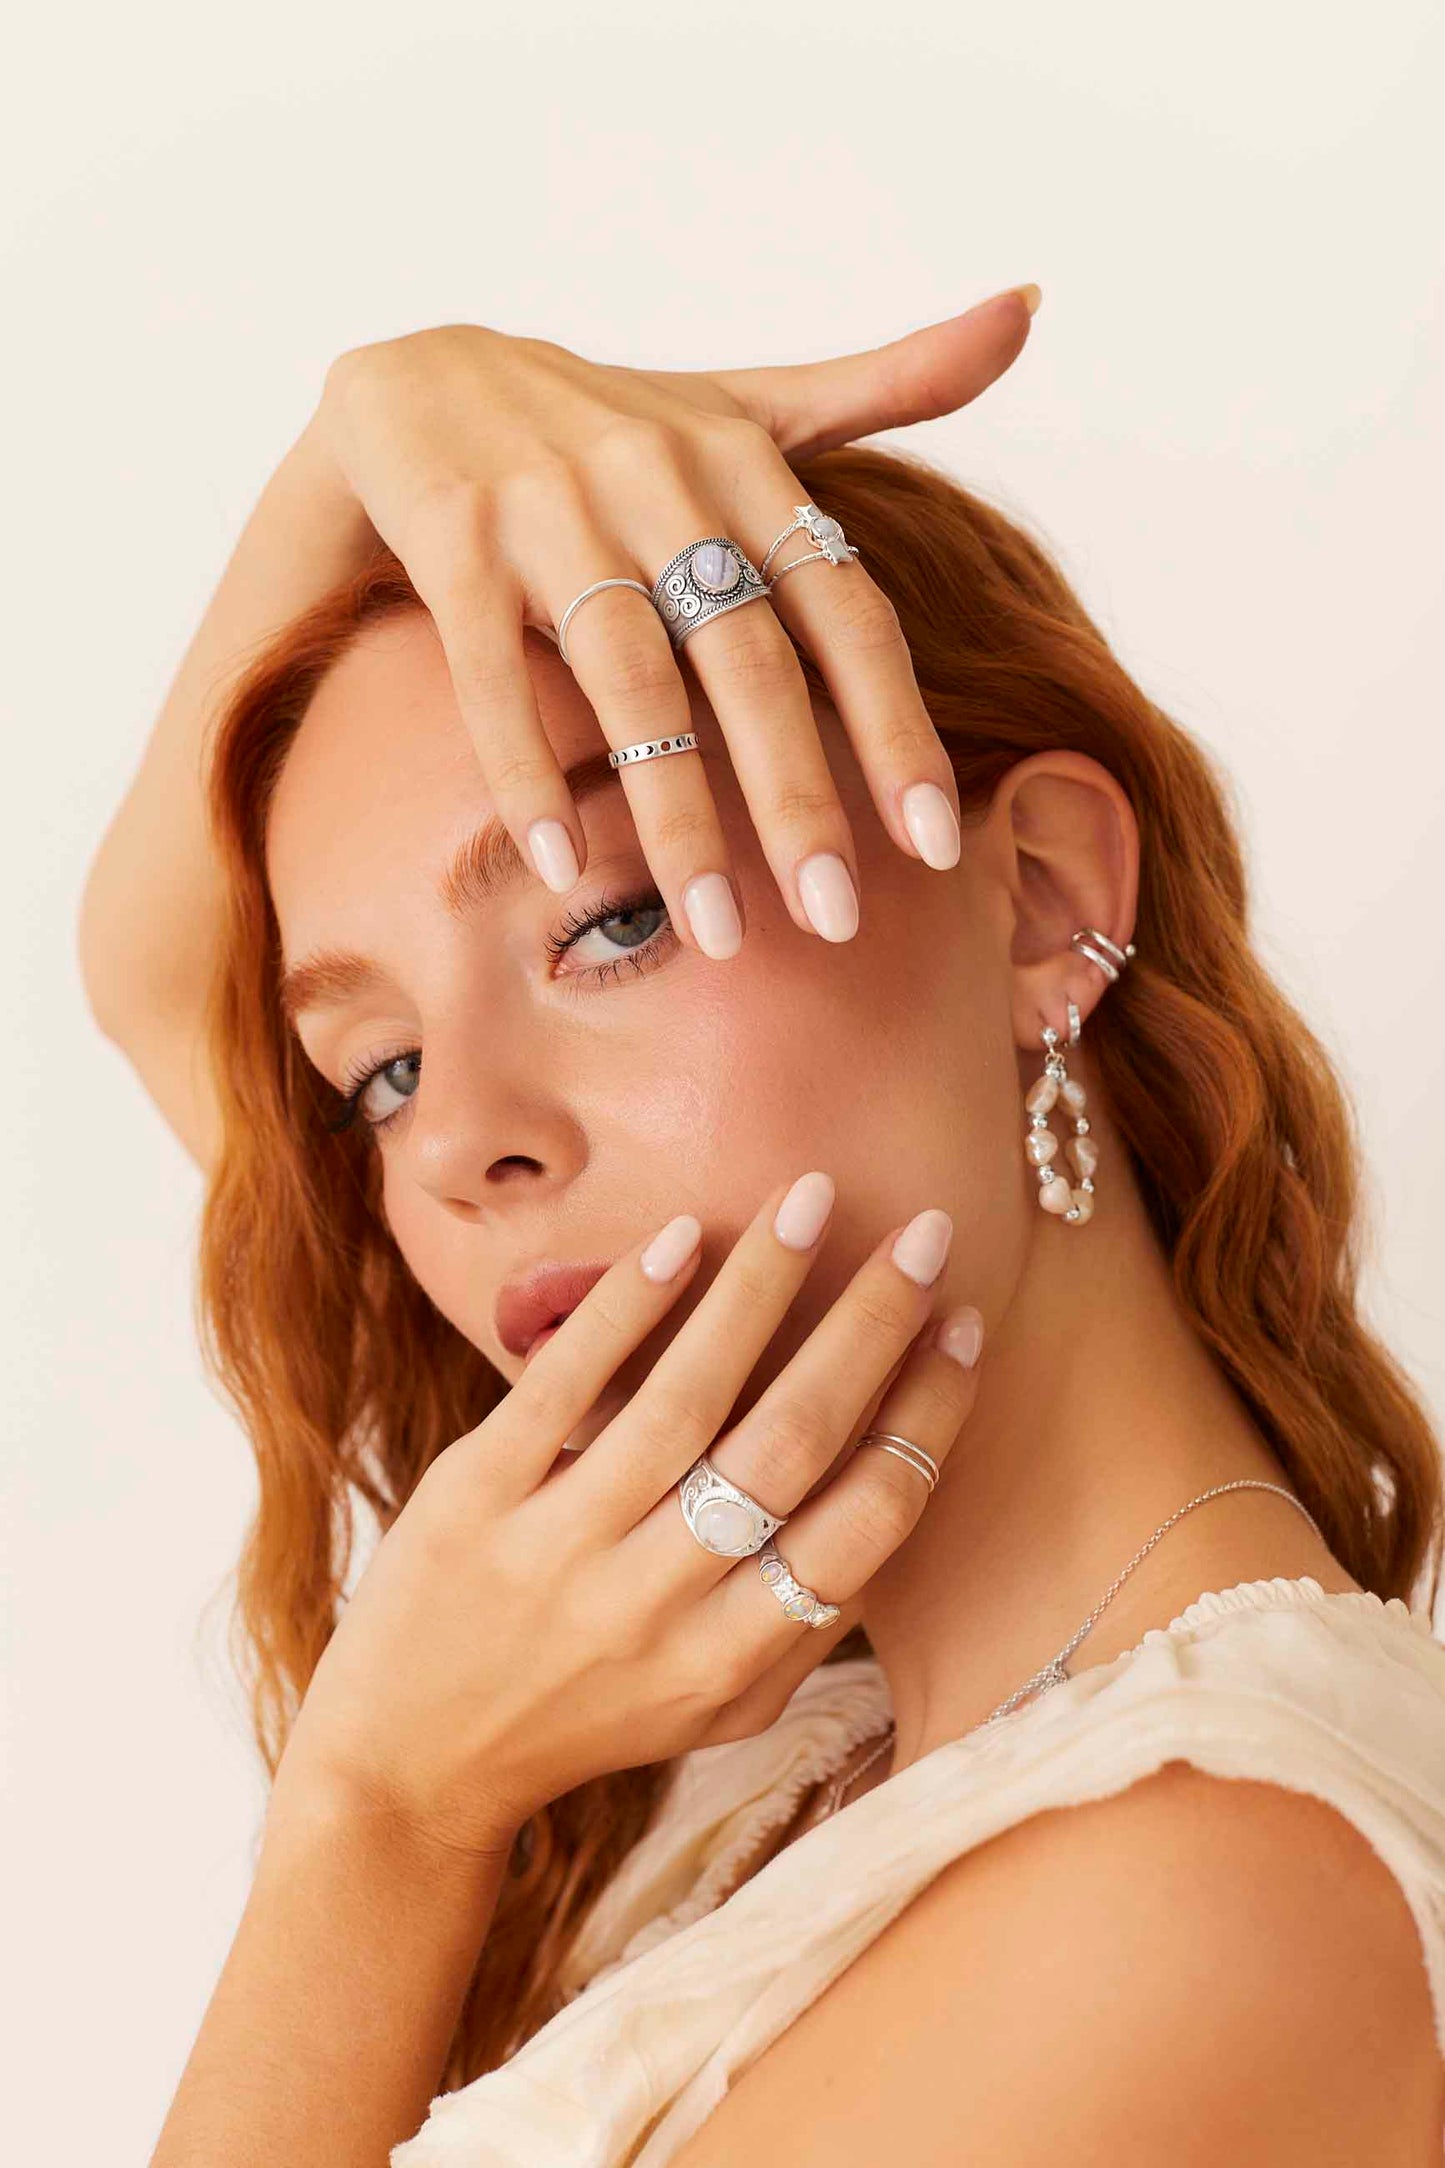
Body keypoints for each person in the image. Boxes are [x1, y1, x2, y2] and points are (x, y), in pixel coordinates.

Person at [79, 295, 1445, 2166]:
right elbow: (156, 967)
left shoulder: (1182, 1901)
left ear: (1039, 901)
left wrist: (382, 1821)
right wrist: (375, 421)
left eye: (611, 920)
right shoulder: (803, 1750)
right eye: (379, 1072)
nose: (458, 1141)